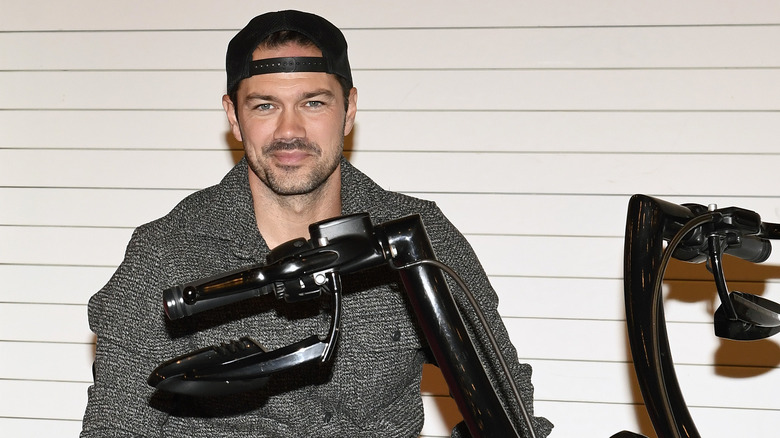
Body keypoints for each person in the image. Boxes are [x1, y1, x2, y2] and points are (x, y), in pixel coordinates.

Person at [80, 10, 553, 438]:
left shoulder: (415, 233)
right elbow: (114, 425)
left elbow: (503, 398)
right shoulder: (164, 252)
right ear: (234, 115)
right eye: (265, 105)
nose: (290, 132)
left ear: (348, 109)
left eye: (313, 103)